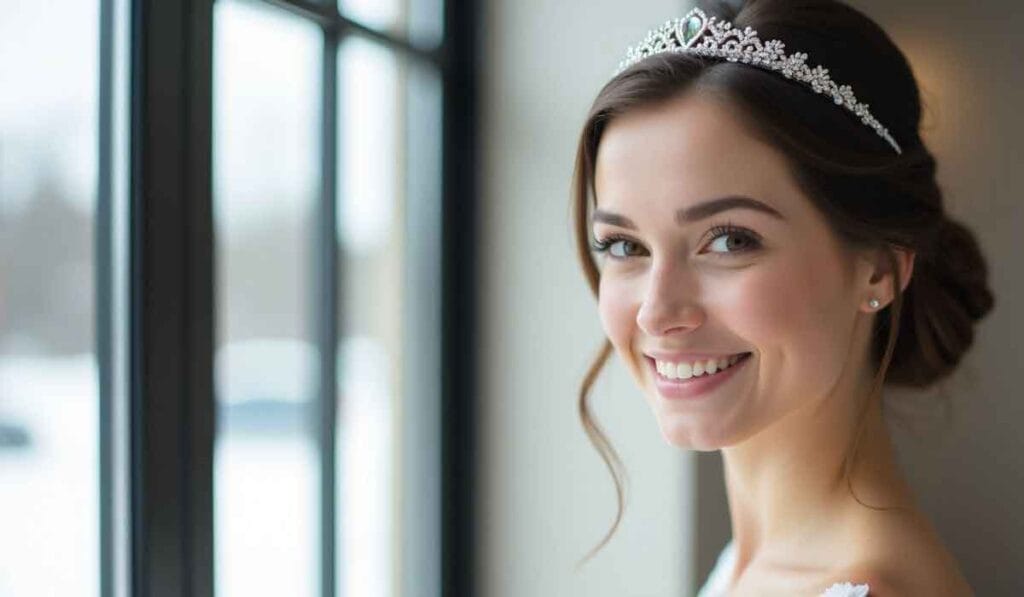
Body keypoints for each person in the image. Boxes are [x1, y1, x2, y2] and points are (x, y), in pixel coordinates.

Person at [569, 0, 995, 594]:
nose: (656, 312)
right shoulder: (761, 565)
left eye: (729, 240)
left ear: (877, 268)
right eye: (623, 245)